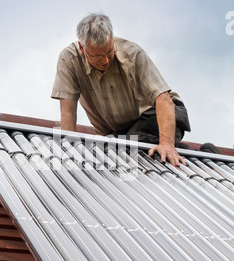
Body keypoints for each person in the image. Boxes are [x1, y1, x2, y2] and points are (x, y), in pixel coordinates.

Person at [51, 13, 192, 166]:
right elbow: (68, 113)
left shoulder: (132, 54)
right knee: (110, 150)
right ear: (82, 48)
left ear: (112, 38)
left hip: (156, 116)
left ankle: (183, 151)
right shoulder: (69, 60)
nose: (105, 60)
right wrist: (69, 152)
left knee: (127, 146)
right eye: (97, 56)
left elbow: (163, 99)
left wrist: (166, 144)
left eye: (109, 52)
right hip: (120, 133)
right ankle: (200, 154)